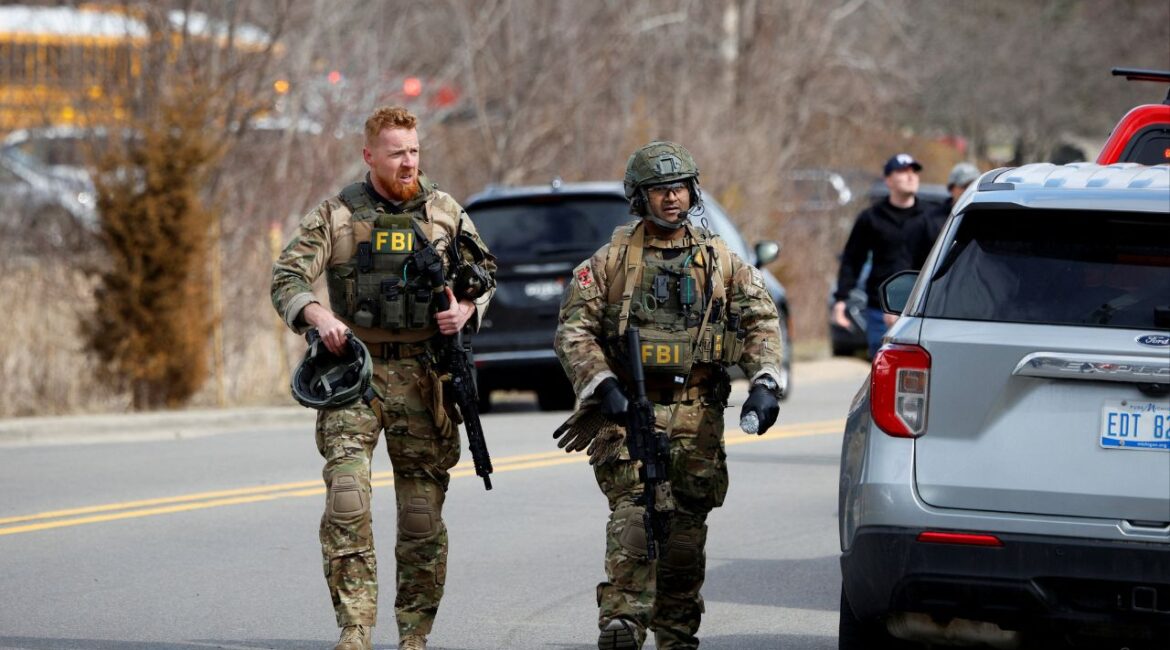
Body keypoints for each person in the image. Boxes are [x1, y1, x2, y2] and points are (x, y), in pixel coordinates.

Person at [270, 106, 495, 650]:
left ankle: (413, 634)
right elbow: (287, 276)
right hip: (356, 372)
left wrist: (466, 309)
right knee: (347, 496)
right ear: (370, 155)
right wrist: (319, 317)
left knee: (420, 514)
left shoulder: (444, 212)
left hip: (424, 375)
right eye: (396, 153)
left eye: (414, 151)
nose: (408, 162)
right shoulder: (338, 215)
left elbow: (484, 274)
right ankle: (355, 627)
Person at [553, 141, 785, 650]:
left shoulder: (720, 261)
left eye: (678, 187)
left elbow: (760, 321)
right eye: (659, 190)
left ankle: (677, 635)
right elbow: (574, 331)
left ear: (692, 190)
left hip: (697, 415)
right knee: (635, 514)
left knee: (683, 537)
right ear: (640, 198)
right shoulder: (610, 262)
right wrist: (602, 383)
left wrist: (765, 382)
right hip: (630, 413)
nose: (671, 198)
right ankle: (623, 622)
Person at [832, 153, 925, 358]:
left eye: (914, 172)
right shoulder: (871, 218)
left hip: (922, 311)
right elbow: (852, 260)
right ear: (888, 180)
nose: (911, 176)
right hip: (879, 312)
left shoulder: (931, 218)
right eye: (902, 172)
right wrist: (841, 300)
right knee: (883, 370)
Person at [906, 161, 981, 269]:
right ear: (951, 188)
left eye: (975, 185)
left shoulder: (987, 219)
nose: (971, 190)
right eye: (965, 186)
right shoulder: (929, 221)